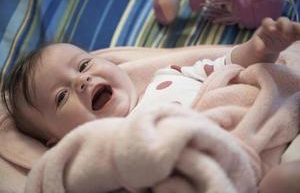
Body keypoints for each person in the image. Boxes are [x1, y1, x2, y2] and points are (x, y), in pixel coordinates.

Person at [1, 17, 300, 192]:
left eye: (83, 66)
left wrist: (260, 47)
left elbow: (228, 63)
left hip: (254, 142)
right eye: (61, 97)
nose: (81, 81)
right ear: (58, 140)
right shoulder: (107, 147)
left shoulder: (167, 76)